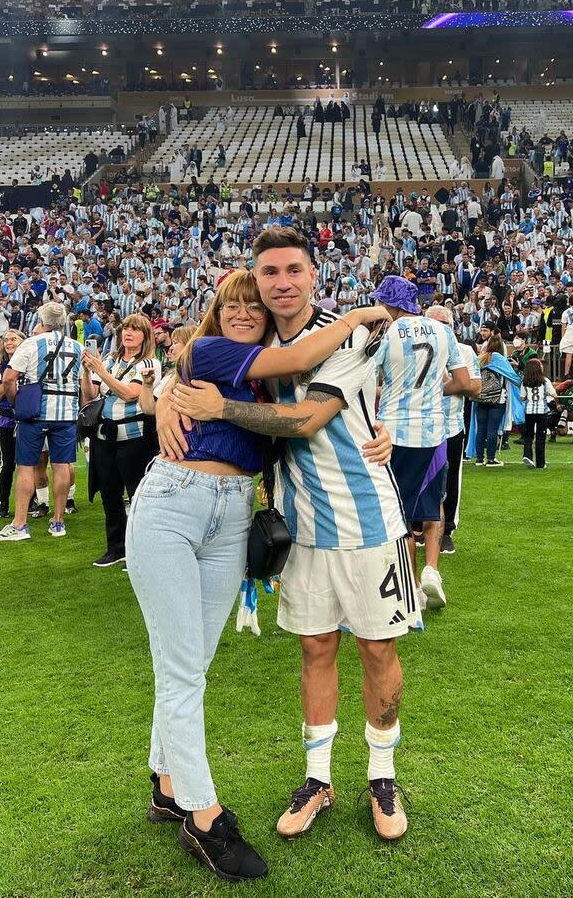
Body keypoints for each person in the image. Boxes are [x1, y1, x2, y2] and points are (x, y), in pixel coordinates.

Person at [126, 269, 391, 883]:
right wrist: (354, 316)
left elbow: (308, 413)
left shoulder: (261, 379)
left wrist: (383, 429)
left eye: (255, 304)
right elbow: (294, 353)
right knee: (184, 666)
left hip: (232, 511)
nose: (245, 309)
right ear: (216, 310)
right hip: (174, 500)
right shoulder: (211, 348)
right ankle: (202, 813)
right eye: (234, 301)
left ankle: (166, 784)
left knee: (189, 661)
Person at [164, 228, 419, 845]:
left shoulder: (348, 332)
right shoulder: (245, 344)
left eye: (293, 271)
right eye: (269, 272)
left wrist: (216, 409)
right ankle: (318, 779)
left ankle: (382, 776)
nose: (281, 284)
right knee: (314, 651)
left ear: (312, 274)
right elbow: (182, 367)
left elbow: (306, 420)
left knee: (378, 651)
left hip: (369, 520)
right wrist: (168, 398)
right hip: (299, 528)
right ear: (256, 277)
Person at [373, 280, 470, 609]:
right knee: (433, 503)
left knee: (396, 512)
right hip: (434, 433)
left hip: (394, 434)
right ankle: (431, 570)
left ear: (392, 305)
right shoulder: (444, 331)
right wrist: (429, 393)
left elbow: (367, 380)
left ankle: (410, 588)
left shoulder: (386, 332)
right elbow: (462, 382)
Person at [0, 301, 83, 542]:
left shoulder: (31, 344)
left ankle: (20, 524)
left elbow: (9, 378)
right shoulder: (76, 346)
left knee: (25, 466)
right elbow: (83, 384)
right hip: (65, 413)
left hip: (35, 412)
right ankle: (58, 521)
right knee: (62, 466)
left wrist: (15, 403)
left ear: (41, 322)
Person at [81, 314, 161, 568]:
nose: (128, 333)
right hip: (105, 435)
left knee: (137, 494)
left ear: (145, 336)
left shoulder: (149, 363)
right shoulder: (110, 360)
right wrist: (86, 371)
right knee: (109, 493)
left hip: (135, 436)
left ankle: (141, 549)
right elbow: (90, 394)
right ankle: (116, 547)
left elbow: (130, 394)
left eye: (135, 329)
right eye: (126, 328)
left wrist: (101, 372)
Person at [425, 304, 481, 555]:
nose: (438, 329)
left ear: (452, 327)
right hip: (420, 425)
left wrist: (445, 385)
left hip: (451, 426)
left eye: (443, 324)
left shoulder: (465, 351)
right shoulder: (417, 349)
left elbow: (476, 387)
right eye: (433, 324)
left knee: (450, 479)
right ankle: (417, 527)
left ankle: (446, 530)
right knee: (420, 478)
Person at [467, 333, 522, 467]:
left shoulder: (480, 359)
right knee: (492, 429)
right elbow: (515, 379)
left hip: (480, 399)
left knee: (480, 429)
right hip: (497, 400)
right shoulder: (501, 360)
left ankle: (479, 459)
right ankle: (491, 458)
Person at [0, 329, 24, 518]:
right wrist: (9, 378)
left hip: (27, 418)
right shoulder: (0, 365)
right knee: (7, 464)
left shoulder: (30, 363)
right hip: (5, 419)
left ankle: (32, 501)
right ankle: (3, 504)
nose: (9, 343)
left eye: (13, 339)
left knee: (27, 463)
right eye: (6, 340)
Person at [520, 357, 556, 469]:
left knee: (528, 435)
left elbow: (522, 397)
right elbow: (554, 394)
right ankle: (540, 463)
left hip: (529, 411)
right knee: (541, 437)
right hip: (542, 412)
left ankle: (527, 455)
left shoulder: (524, 382)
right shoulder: (545, 381)